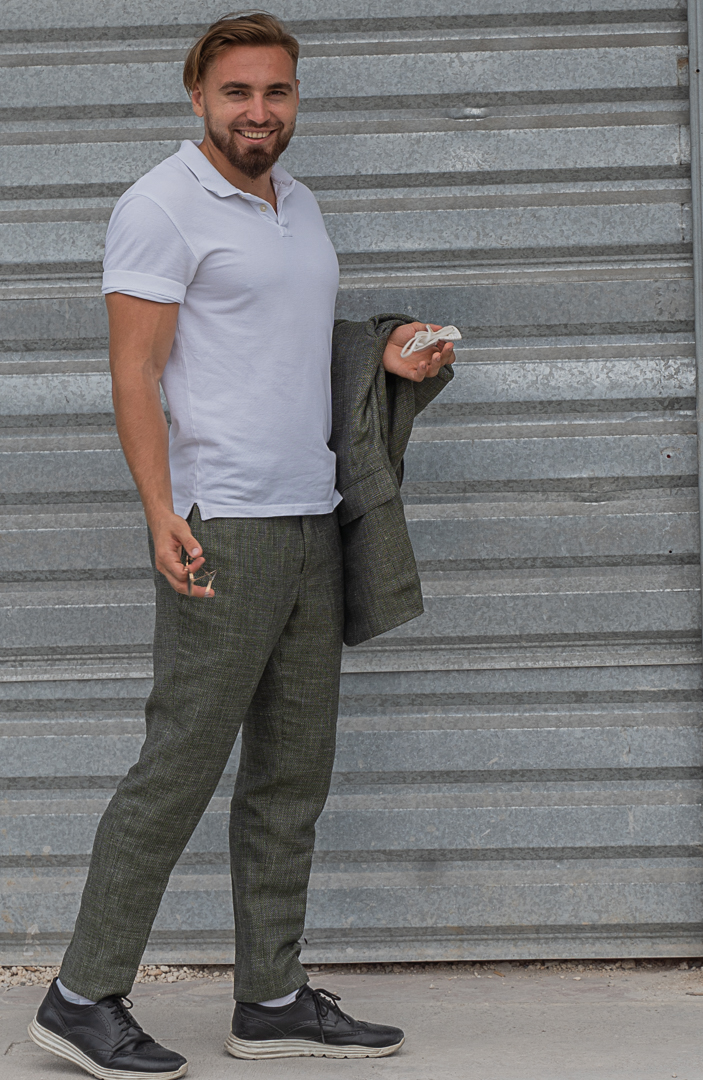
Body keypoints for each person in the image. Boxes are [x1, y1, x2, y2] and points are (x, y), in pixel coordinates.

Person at [28, 14, 454, 1078]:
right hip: (224, 524)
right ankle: (81, 997)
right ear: (196, 97)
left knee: (290, 776)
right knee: (178, 765)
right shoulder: (161, 206)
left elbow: (293, 345)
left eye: (276, 91)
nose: (258, 111)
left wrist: (387, 356)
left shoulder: (297, 207)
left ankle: (269, 997)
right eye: (236, 92)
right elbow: (134, 371)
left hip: (311, 518)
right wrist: (158, 508)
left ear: (296, 98)